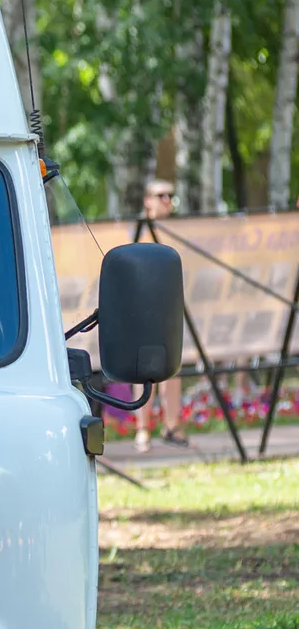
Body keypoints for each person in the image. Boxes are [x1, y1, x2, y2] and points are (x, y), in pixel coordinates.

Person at [134, 179, 189, 452]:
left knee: (173, 368)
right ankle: (143, 429)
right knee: (143, 369)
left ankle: (171, 425)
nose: (167, 200)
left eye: (170, 195)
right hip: (144, 310)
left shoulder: (177, 232)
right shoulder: (138, 231)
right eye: (161, 195)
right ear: (147, 200)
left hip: (171, 309)